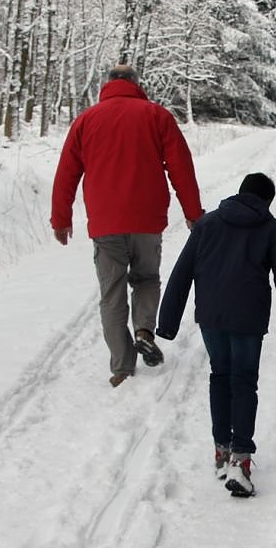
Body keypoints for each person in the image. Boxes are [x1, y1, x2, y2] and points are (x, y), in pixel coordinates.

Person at [51, 64, 205, 388]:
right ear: (137, 84)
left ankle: (121, 367)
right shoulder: (156, 116)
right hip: (147, 220)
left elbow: (66, 172)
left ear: (107, 84)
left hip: (105, 222)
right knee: (146, 278)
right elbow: (181, 166)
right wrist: (193, 213)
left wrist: (61, 220)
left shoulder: (86, 120)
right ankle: (144, 330)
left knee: (112, 293)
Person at [156, 172, 276, 498]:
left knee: (220, 376)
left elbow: (181, 272)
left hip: (212, 317)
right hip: (248, 319)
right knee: (244, 382)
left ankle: (221, 451)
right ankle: (240, 460)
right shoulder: (273, 229)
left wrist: (168, 322)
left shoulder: (207, 224)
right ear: (266, 201)